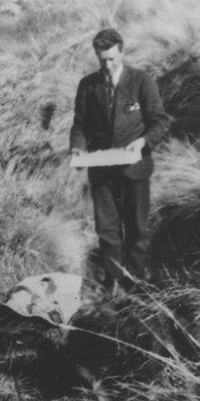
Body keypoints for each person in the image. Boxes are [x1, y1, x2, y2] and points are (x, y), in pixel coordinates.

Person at [70, 28, 171, 292]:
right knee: (107, 230)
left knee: (136, 229)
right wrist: (77, 149)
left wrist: (144, 141)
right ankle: (112, 283)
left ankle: (135, 283)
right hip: (101, 171)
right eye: (102, 60)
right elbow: (80, 125)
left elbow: (160, 121)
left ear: (122, 52)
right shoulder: (87, 85)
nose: (107, 65)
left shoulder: (141, 81)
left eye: (112, 59)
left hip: (135, 168)